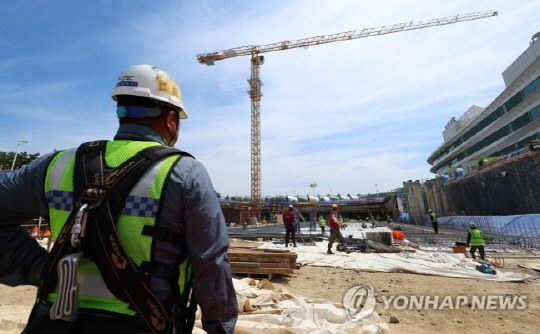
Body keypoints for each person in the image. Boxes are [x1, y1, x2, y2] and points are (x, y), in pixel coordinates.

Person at [0, 64, 237, 334]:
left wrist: (40, 269)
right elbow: (211, 262)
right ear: (171, 119)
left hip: (53, 322)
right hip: (144, 322)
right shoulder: (184, 173)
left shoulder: (57, 164)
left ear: (121, 111)